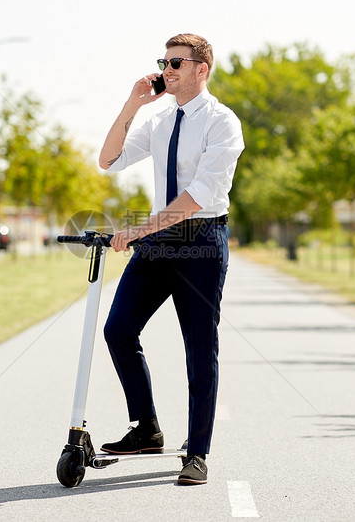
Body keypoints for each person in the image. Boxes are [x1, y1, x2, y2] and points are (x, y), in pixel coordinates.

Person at [97, 33, 244, 485]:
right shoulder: (161, 121)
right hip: (159, 241)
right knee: (118, 329)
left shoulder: (223, 122)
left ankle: (197, 452)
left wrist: (138, 230)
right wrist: (133, 103)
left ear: (202, 69)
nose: (167, 70)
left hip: (200, 239)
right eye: (164, 62)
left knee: (200, 348)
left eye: (176, 63)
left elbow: (200, 194)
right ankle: (147, 428)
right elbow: (109, 160)